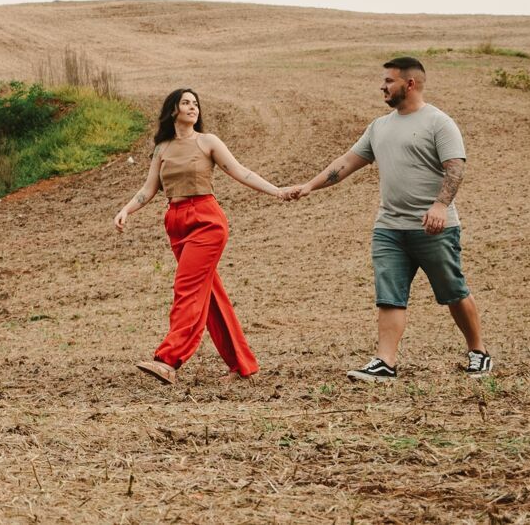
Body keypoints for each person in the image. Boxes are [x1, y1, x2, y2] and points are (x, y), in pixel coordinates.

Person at [282, 56, 492, 381]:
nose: (382, 86)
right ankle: (385, 362)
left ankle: (479, 352)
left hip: (434, 228)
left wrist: (439, 206)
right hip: (389, 229)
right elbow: (347, 162)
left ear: (410, 84)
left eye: (389, 81)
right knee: (389, 295)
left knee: (453, 290)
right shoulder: (379, 127)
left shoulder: (438, 122)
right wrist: (310, 186)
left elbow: (456, 167)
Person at [114, 87, 285, 383]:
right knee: (211, 296)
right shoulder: (163, 148)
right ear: (173, 111)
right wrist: (126, 210)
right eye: (186, 103)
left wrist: (277, 191)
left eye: (196, 104)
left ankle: (168, 361)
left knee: (187, 288)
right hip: (176, 221)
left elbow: (240, 172)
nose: (193, 108)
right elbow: (149, 189)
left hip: (206, 220)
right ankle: (242, 365)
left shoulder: (207, 142)